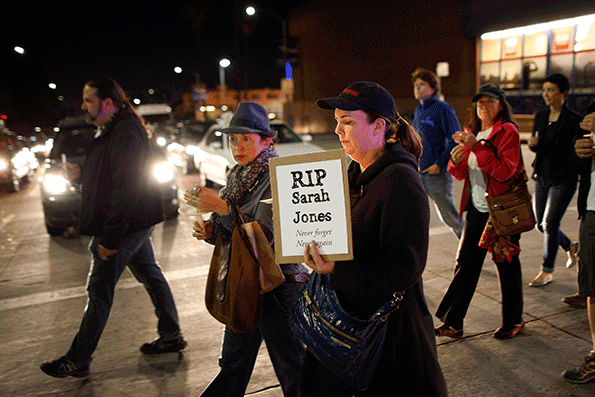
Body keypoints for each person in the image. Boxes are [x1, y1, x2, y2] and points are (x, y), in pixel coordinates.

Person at [300, 81, 447, 396]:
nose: (339, 130)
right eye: (337, 121)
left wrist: (337, 269)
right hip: (349, 327)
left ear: (379, 126)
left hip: (386, 339)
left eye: (348, 122)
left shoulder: (400, 182)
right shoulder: (355, 174)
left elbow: (405, 267)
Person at [40, 78, 186, 378]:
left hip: (126, 223)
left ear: (108, 102)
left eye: (88, 100)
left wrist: (110, 237)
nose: (83, 106)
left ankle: (78, 358)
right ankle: (171, 335)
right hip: (134, 220)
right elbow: (110, 176)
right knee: (151, 275)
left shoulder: (126, 132)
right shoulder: (113, 129)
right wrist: (81, 175)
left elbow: (126, 188)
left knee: (99, 288)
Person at [187, 102, 307, 397]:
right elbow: (235, 232)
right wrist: (211, 230)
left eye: (245, 139)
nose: (237, 147)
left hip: (278, 286)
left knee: (293, 369)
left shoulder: (277, 176)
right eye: (232, 139)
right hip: (244, 283)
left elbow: (263, 235)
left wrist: (221, 207)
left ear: (266, 140)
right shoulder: (238, 175)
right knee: (233, 364)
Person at [434, 83, 525, 340]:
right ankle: (453, 323)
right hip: (477, 207)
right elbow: (460, 173)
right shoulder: (472, 132)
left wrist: (476, 147)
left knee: (505, 264)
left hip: (502, 208)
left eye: (489, 101)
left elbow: (505, 171)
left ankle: (514, 321)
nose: (483, 106)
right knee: (466, 263)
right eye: (480, 102)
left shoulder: (507, 131)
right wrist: (456, 159)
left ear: (500, 103)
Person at [527, 73, 582, 287]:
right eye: (544, 90)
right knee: (540, 224)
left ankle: (547, 270)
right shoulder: (540, 116)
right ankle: (570, 245)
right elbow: (537, 144)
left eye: (551, 90)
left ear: (563, 92)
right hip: (542, 176)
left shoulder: (573, 120)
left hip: (563, 179)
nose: (546, 95)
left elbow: (574, 152)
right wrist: (533, 144)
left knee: (550, 223)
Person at [562, 102, 595, 384]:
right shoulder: (591, 112)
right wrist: (578, 151)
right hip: (593, 210)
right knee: (592, 286)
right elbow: (574, 164)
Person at [412, 68, 464, 238]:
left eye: (423, 84)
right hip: (420, 172)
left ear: (433, 88)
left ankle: (470, 247)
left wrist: (440, 164)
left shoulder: (443, 109)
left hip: (436, 174)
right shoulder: (419, 110)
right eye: (416, 85)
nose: (418, 88)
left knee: (450, 218)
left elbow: (454, 138)